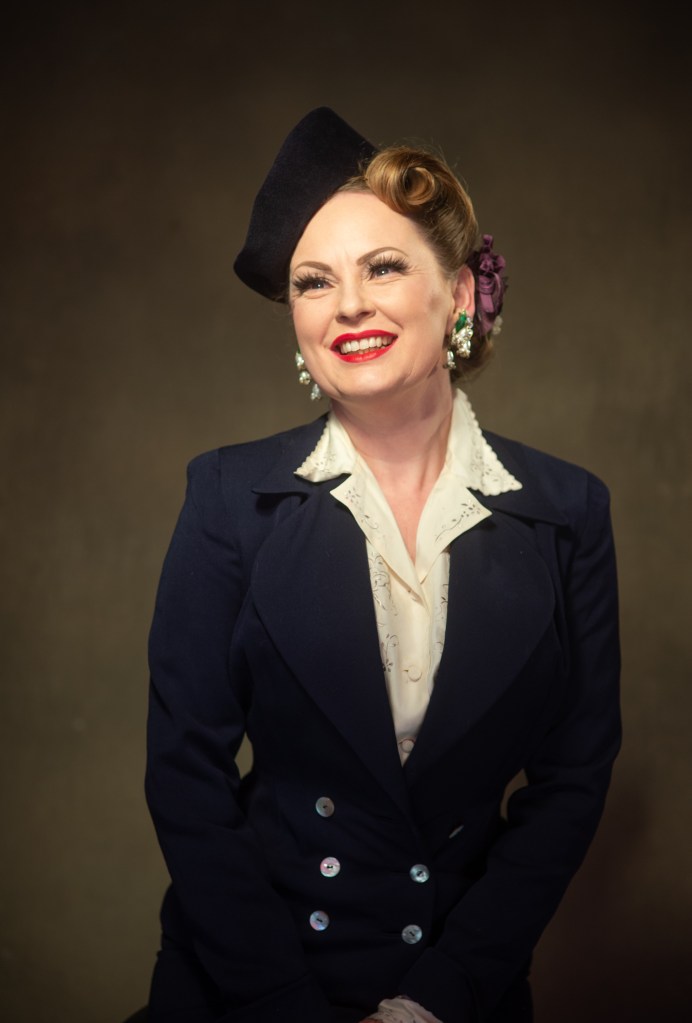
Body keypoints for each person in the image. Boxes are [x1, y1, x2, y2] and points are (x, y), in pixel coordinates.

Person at [144, 108, 621, 1023]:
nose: (348, 305)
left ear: (461, 293)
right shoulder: (226, 498)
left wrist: (434, 1000)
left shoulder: (569, 513)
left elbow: (573, 783)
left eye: (384, 267)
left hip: (455, 993)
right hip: (246, 990)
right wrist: (284, 1004)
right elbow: (183, 777)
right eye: (314, 281)